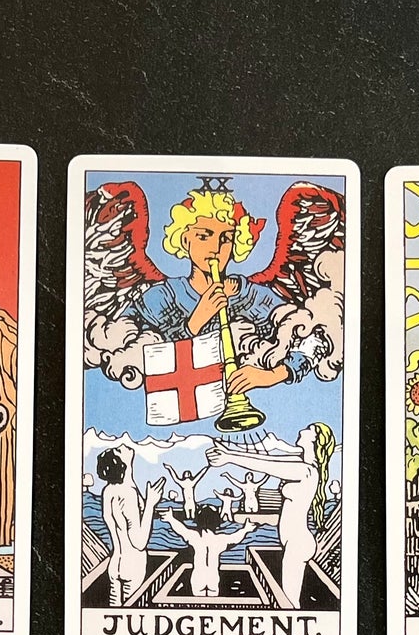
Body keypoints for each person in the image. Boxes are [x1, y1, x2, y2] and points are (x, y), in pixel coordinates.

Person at [128, 186, 321, 397]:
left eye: (226, 238)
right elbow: (130, 352)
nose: (215, 248)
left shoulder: (252, 296)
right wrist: (195, 323)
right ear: (185, 240)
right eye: (204, 236)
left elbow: (315, 338)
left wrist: (271, 376)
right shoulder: (161, 298)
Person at [204, 424, 323, 606]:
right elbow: (264, 458)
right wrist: (229, 451)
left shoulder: (306, 471)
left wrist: (229, 457)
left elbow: (266, 466)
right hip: (294, 542)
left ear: (315, 440)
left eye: (310, 429)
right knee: (289, 600)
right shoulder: (298, 462)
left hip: (298, 543)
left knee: (290, 603)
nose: (302, 430)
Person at [96, 444, 165, 605]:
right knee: (130, 608)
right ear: (121, 463)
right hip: (132, 565)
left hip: (115, 564)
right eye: (119, 450)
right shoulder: (128, 493)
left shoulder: (108, 490)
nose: (123, 445)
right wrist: (150, 504)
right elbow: (139, 542)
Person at [162, 504, 255, 598]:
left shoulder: (195, 537)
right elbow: (235, 538)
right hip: (213, 579)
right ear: (217, 522)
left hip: (198, 579)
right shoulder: (220, 540)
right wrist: (246, 529)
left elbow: (181, 530)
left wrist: (171, 519)